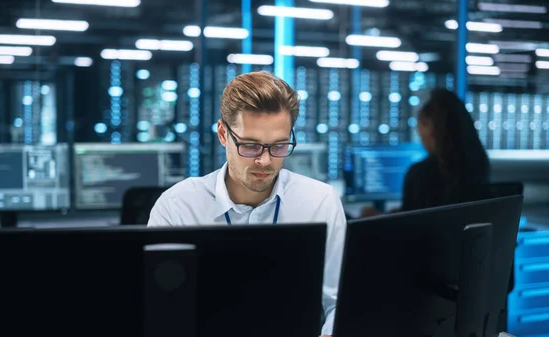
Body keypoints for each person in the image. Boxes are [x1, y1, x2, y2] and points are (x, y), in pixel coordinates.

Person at [148, 71, 346, 337]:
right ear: (222, 134)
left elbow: (340, 301)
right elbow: (157, 311)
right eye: (251, 146)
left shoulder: (319, 201)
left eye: (279, 146)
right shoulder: (178, 206)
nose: (265, 161)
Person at [361, 88, 490, 216]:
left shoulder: (420, 174)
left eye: (420, 129)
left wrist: (377, 218)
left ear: (431, 129)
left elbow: (409, 230)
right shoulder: (478, 166)